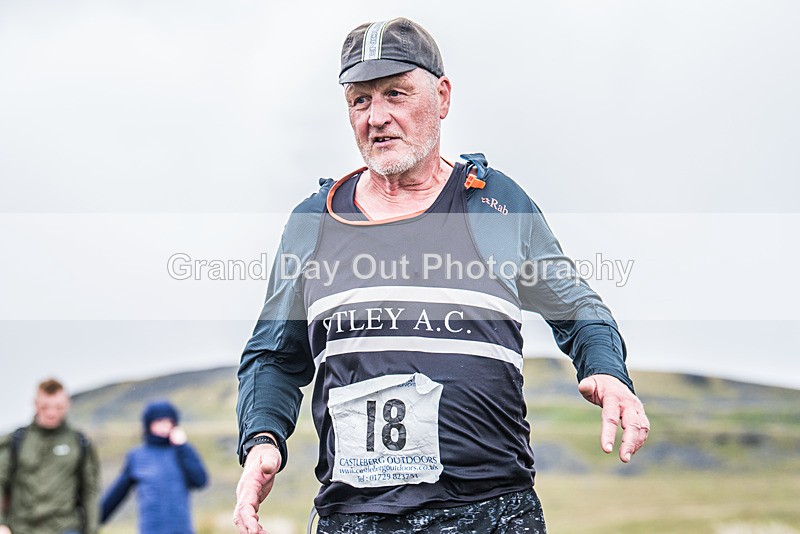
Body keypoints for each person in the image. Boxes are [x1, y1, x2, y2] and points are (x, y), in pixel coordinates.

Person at [234, 17, 651, 533]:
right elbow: (274, 354)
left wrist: (609, 372)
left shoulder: (496, 204)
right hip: (355, 519)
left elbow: (578, 310)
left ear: (443, 96)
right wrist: (262, 441)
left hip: (493, 513)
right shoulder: (313, 223)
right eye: (360, 101)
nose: (377, 117)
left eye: (396, 93)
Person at [0, 378, 100, 534]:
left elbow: (90, 491)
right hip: (21, 528)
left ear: (67, 404)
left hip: (64, 527)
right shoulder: (17, 440)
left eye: (58, 407)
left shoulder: (79, 442)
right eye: (45, 406)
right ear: (35, 403)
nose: (51, 412)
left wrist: (92, 530)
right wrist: (1, 524)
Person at [100, 400, 208, 534]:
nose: (164, 425)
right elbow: (117, 494)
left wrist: (183, 446)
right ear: (149, 424)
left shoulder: (182, 452)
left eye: (169, 421)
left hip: (182, 530)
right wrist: (92, 521)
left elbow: (200, 480)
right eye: (159, 421)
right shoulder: (137, 456)